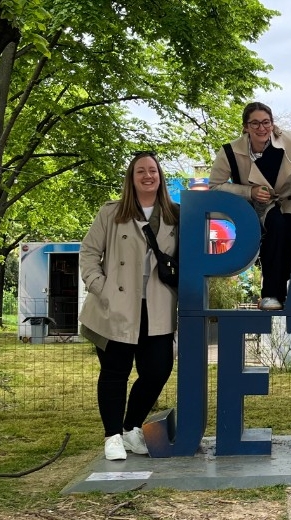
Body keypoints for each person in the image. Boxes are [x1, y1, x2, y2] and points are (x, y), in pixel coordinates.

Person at [79, 151, 179, 461]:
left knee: (158, 369)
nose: (148, 176)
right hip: (117, 306)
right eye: (141, 171)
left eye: (153, 170)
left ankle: (131, 427)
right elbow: (88, 253)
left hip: (158, 306)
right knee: (114, 372)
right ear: (131, 178)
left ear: (160, 176)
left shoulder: (175, 215)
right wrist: (102, 288)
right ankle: (112, 436)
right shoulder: (111, 213)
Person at [208, 102, 291, 310]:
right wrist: (249, 192)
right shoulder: (229, 152)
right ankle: (272, 293)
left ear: (272, 124)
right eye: (254, 123)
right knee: (276, 227)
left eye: (266, 122)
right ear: (245, 127)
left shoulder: (288, 139)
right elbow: (215, 185)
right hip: (262, 204)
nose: (261, 128)